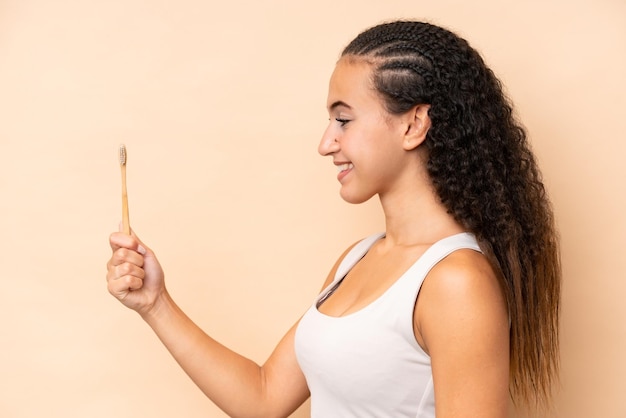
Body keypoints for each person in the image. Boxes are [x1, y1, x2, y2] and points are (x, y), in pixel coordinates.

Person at [106, 20, 561, 418]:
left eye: (343, 120)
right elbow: (264, 398)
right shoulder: (357, 259)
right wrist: (155, 303)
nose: (326, 143)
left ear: (413, 124)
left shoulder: (457, 282)